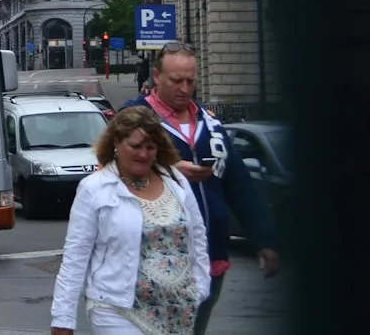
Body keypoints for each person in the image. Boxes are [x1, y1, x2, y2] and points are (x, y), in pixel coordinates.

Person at [120, 42, 280, 334]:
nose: (185, 88)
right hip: (157, 252)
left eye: (191, 81)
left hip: (211, 251)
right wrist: (173, 168)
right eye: (176, 80)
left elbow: (239, 185)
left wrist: (265, 240)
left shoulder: (211, 123)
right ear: (157, 77)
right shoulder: (135, 116)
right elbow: (112, 165)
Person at [51, 105, 210, 334]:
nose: (143, 154)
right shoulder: (94, 189)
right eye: (135, 146)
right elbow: (75, 258)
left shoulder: (177, 181)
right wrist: (62, 319)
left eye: (150, 147)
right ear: (116, 142)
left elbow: (197, 238)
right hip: (116, 309)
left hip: (178, 311)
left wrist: (200, 287)